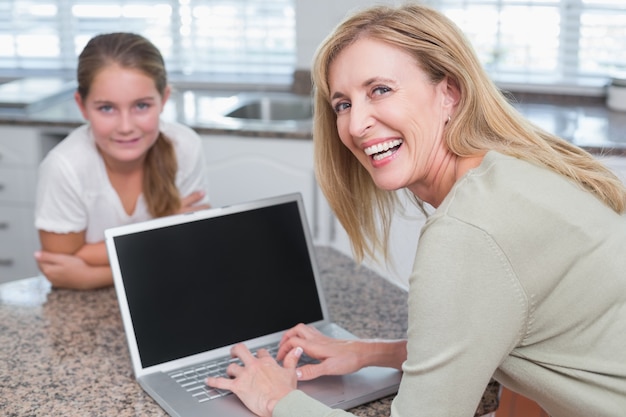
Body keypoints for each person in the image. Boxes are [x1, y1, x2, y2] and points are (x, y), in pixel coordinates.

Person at [205, 3, 626, 417]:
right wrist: (369, 353)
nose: (355, 126)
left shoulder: (467, 230)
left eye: (380, 90)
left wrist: (278, 399)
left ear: (449, 94)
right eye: (343, 104)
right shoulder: (509, 174)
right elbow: (491, 330)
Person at [34, 32, 210, 290]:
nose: (126, 127)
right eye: (106, 108)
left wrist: (91, 275)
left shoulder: (184, 146)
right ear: (81, 106)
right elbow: (61, 261)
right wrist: (162, 235)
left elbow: (191, 246)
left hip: (169, 290)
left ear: (164, 100)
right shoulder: (65, 166)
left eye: (141, 106)